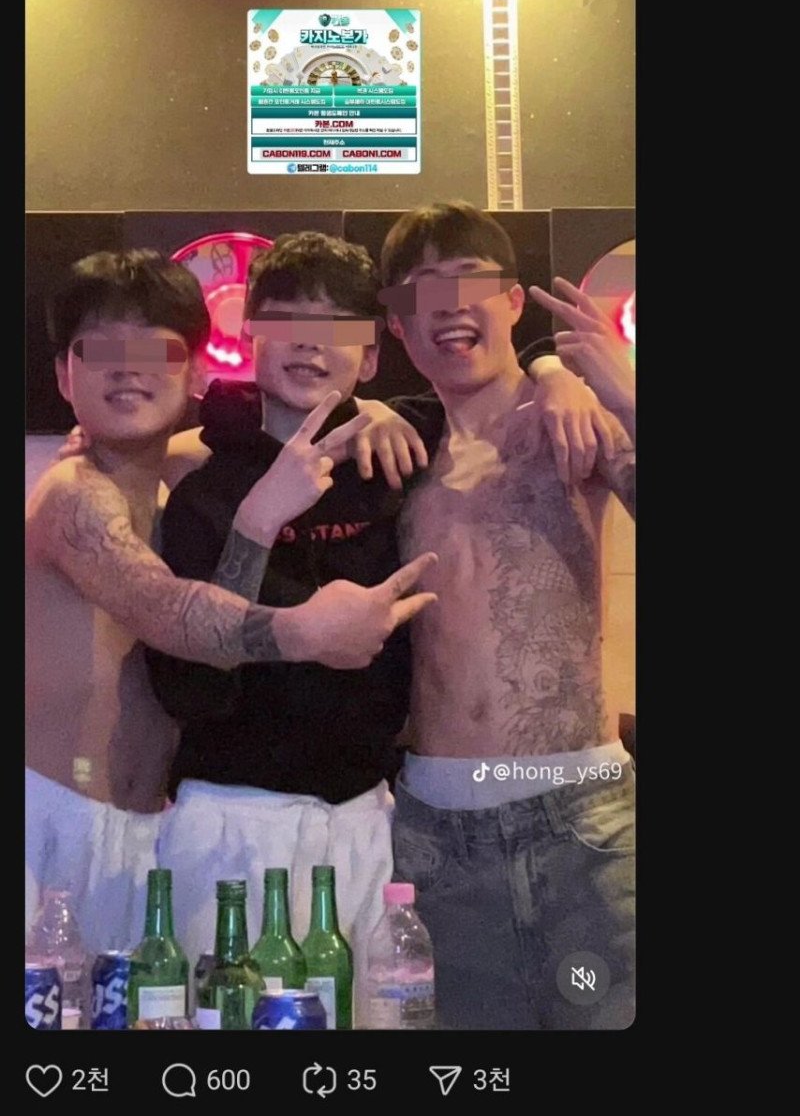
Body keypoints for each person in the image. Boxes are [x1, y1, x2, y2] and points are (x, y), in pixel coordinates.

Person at [143, 230, 608, 1022]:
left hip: (371, 824)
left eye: (336, 327)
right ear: (250, 337)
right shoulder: (201, 481)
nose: (309, 343)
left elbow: (488, 375)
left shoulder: (400, 456)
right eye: (287, 320)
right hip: (228, 820)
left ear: (369, 356)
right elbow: (185, 684)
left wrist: (555, 369)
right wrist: (260, 520)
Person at [25, 249, 434, 954]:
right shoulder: (75, 493)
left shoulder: (171, 486)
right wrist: (305, 630)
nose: (128, 370)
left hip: (149, 833)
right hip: (56, 826)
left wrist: (377, 410)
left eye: (155, 352)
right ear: (64, 375)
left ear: (196, 373)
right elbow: (168, 612)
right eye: (102, 353)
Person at [378, 201, 636, 1030]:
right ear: (397, 324)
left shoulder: (577, 422)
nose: (450, 306)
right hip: (435, 836)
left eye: (470, 282)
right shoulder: (394, 450)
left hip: (583, 821)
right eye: (425, 290)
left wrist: (621, 393)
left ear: (514, 301)